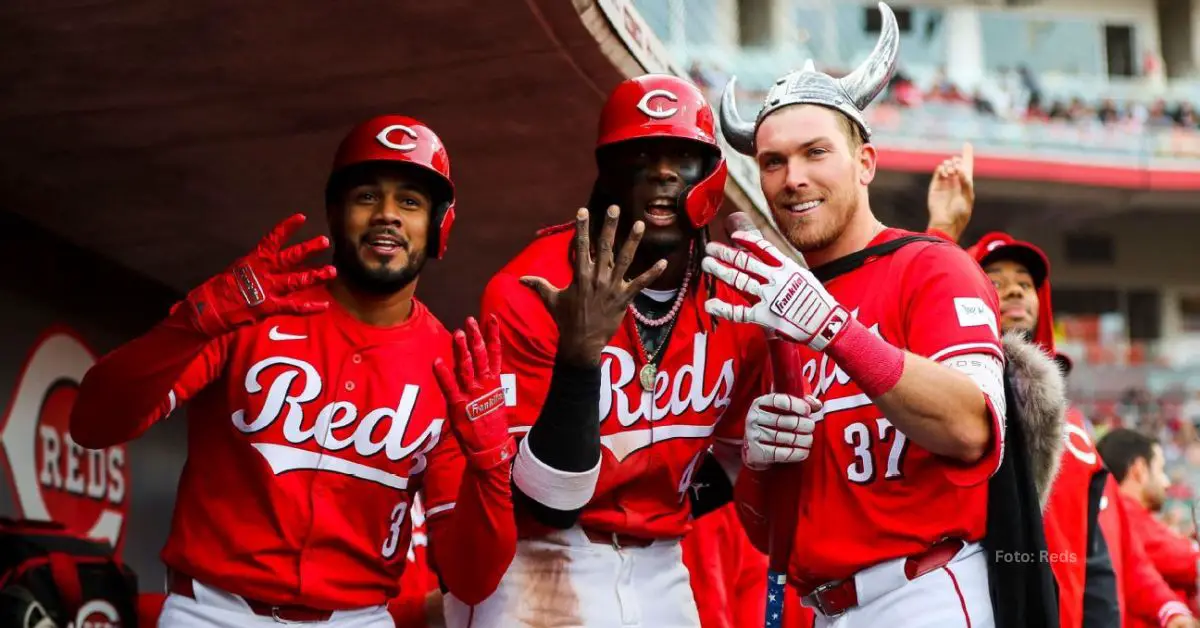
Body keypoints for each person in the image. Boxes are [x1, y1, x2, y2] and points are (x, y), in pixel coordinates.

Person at [68, 116, 518, 627]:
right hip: (213, 612)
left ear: (439, 225)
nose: (387, 215)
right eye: (367, 196)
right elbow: (92, 425)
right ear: (336, 213)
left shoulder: (448, 365)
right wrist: (188, 326)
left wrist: (490, 465)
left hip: (356, 620)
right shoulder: (253, 313)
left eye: (410, 202)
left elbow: (473, 581)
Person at [708, 3, 1065, 626]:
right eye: (773, 161)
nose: (794, 177)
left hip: (925, 594)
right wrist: (758, 467)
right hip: (822, 607)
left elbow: (972, 427)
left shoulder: (933, 267)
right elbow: (769, 537)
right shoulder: (764, 301)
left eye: (816, 152)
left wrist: (833, 329)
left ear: (864, 162)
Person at [450, 74, 774, 627]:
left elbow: (731, 457)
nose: (664, 172)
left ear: (713, 174)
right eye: (641, 154)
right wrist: (579, 359)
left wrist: (661, 504)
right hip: (542, 557)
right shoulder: (533, 285)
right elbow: (548, 501)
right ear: (607, 173)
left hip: (662, 563)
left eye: (682, 156)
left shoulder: (736, 296)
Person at [1099, 429, 1200, 624]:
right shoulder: (1128, 515)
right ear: (1139, 470)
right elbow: (1188, 560)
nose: (1166, 482)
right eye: (1160, 469)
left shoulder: (1123, 515)